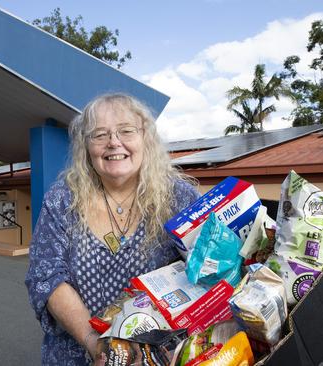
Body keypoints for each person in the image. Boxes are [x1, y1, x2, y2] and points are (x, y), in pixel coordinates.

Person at [25, 93, 200, 365]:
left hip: (158, 356)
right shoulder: (62, 200)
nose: (114, 142)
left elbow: (207, 268)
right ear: (86, 146)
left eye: (126, 131)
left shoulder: (179, 198)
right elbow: (46, 277)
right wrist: (93, 342)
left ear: (146, 138)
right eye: (100, 135)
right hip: (76, 355)